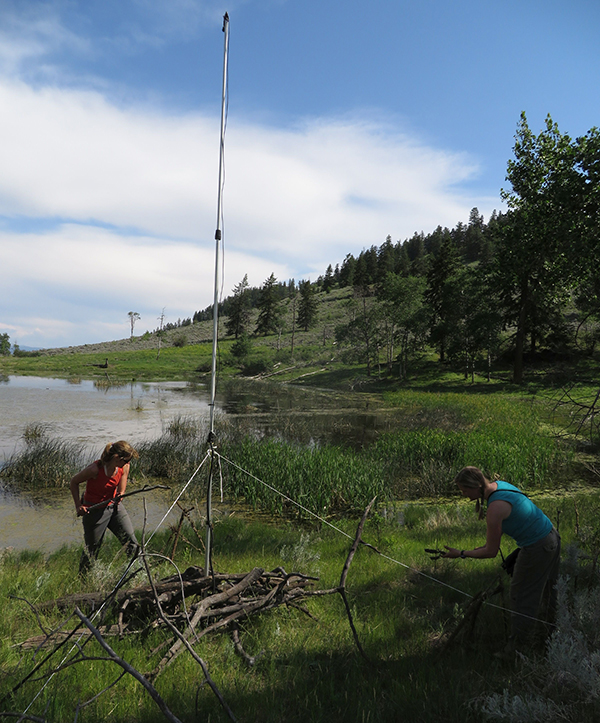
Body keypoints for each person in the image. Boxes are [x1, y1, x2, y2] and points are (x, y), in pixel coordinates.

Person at [443, 466, 560, 650]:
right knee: (548, 592)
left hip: (538, 546)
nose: (463, 494)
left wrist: (462, 553)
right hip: (551, 535)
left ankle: (517, 651)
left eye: (464, 490)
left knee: (521, 596)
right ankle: (551, 640)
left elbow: (491, 551)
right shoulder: (501, 486)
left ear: (475, 486)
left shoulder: (495, 508)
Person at [70, 440, 140, 574]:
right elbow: (74, 482)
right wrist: (78, 506)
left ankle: (137, 572)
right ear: (116, 458)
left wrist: (122, 492)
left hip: (114, 506)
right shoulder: (95, 469)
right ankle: (84, 580)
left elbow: (124, 475)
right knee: (92, 550)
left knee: (132, 543)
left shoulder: (123, 465)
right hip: (94, 510)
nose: (127, 464)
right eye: (125, 461)